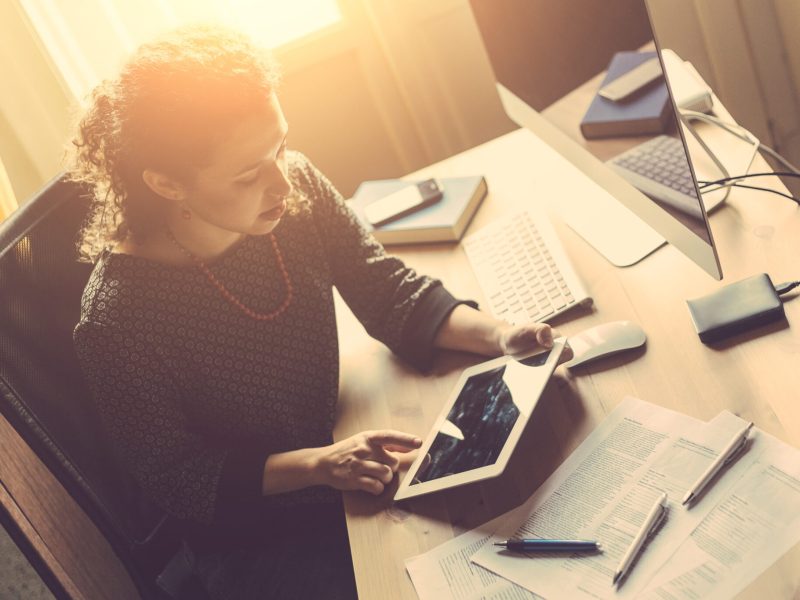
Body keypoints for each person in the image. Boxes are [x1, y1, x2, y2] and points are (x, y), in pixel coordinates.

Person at [70, 25, 567, 600]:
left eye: (278, 146)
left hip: (348, 459)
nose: (281, 180)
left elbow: (386, 290)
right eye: (248, 173)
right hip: (262, 531)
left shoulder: (294, 185)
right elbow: (180, 480)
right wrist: (317, 466)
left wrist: (504, 336)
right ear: (166, 183)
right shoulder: (116, 323)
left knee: (529, 507)